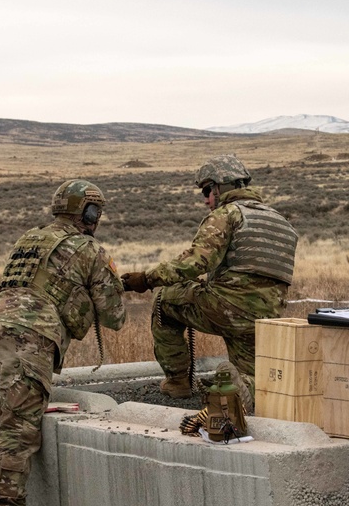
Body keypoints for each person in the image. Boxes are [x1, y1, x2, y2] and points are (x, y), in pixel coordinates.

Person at [0, 179, 126, 506]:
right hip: (28, 335)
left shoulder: (29, 239)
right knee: (19, 429)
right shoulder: (87, 248)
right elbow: (114, 315)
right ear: (90, 213)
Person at [121, 154, 298, 402]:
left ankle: (178, 381)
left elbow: (196, 262)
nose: (206, 200)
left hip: (226, 307)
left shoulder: (227, 214)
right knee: (250, 375)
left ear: (220, 187)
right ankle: (242, 388)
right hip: (266, 317)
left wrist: (147, 279)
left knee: (165, 301)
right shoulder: (281, 221)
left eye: (207, 191)